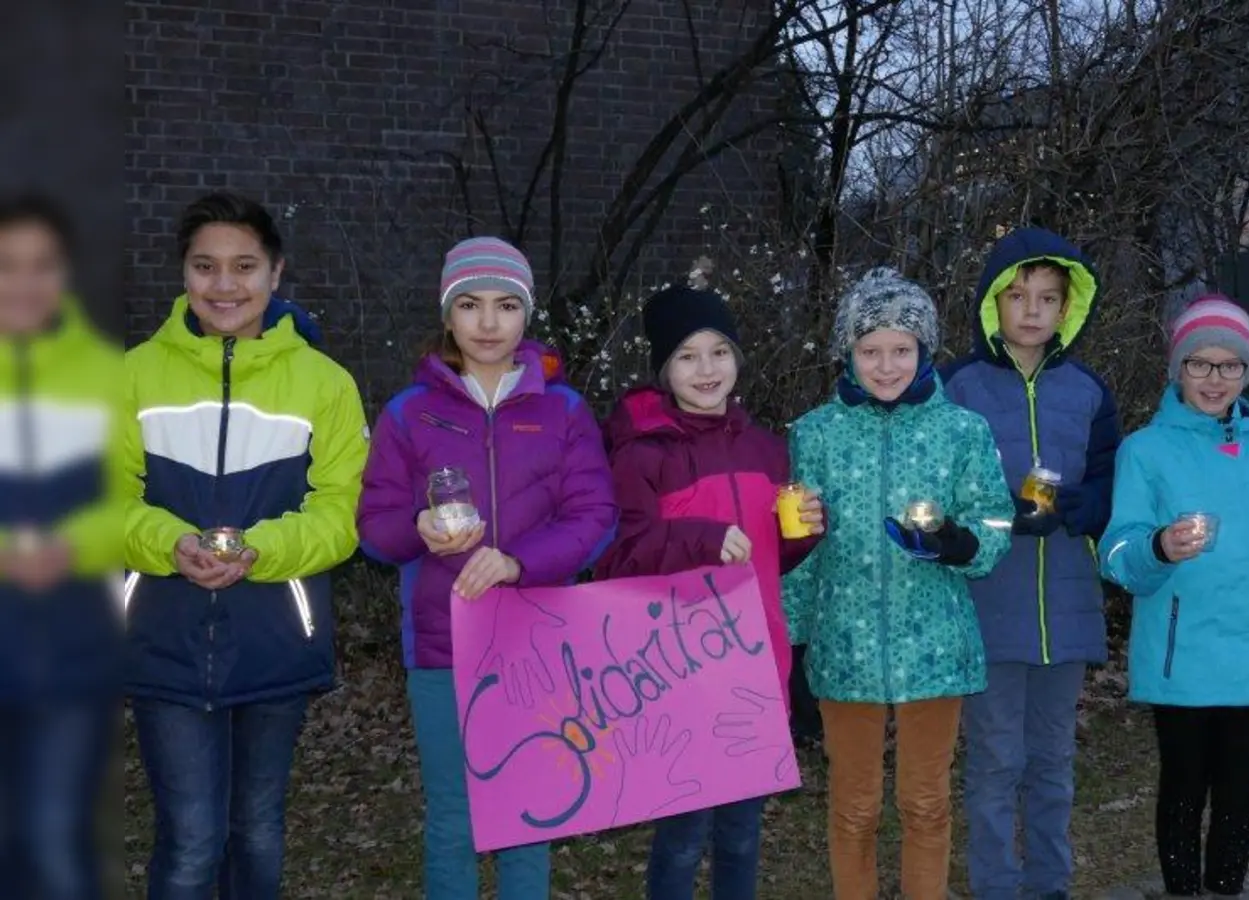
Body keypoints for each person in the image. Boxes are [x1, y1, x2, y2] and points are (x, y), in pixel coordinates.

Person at [123, 192, 369, 899]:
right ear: (183, 273)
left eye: (243, 266)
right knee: (192, 841)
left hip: (275, 636)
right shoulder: (135, 374)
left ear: (275, 273)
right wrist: (170, 544)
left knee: (257, 830)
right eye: (205, 266)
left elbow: (339, 515)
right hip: (164, 635)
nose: (224, 285)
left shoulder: (326, 383)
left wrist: (260, 551)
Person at [356, 236, 617, 900]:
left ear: (526, 314)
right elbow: (374, 527)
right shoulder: (408, 412)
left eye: (506, 305)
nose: (488, 322)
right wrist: (415, 528)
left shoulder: (563, 410)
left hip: (537, 640)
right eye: (470, 305)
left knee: (529, 812)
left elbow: (595, 516)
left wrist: (517, 561)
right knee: (454, 819)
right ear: (448, 314)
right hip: (445, 645)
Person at [782, 267, 1013, 900]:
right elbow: (796, 547)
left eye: (901, 350)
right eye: (870, 350)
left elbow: (995, 518)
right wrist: (792, 646)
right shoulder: (814, 433)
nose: (887, 365)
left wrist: (957, 542)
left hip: (935, 648)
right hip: (844, 646)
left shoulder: (961, 431)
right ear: (847, 354)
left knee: (926, 804)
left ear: (924, 351)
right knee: (854, 809)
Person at [594, 284, 822, 900]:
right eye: (688, 356)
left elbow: (773, 558)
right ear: (664, 368)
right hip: (677, 669)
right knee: (683, 834)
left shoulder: (765, 447)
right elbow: (618, 557)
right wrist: (699, 537)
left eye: (719, 352)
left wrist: (801, 535)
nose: (706, 369)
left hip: (755, 661)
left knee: (743, 832)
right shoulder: (639, 454)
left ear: (737, 362)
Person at [1098, 294, 1249, 898]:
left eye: (1231, 366)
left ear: (1247, 373)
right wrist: (1159, 548)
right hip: (1180, 659)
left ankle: (1226, 889)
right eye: (1200, 363)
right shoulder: (1144, 451)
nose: (1215, 379)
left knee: (1240, 794)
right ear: (1177, 368)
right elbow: (1117, 556)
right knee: (1182, 788)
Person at [941, 227, 1120, 900]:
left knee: (1053, 761)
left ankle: (1049, 884)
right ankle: (995, 886)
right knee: (994, 763)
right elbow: (939, 490)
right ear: (994, 303)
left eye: (1048, 297)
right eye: (1018, 296)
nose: (1033, 310)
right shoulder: (958, 386)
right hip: (990, 605)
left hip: (1067, 605)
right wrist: (993, 516)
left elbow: (1111, 485)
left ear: (1068, 307)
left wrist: (1077, 507)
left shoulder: (1089, 390)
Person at [0, 193, 122, 899]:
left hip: (73, 659)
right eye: (8, 265)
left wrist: (70, 547)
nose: (24, 282)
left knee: (53, 840)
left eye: (42, 265)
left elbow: (133, 503)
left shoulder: (107, 375)